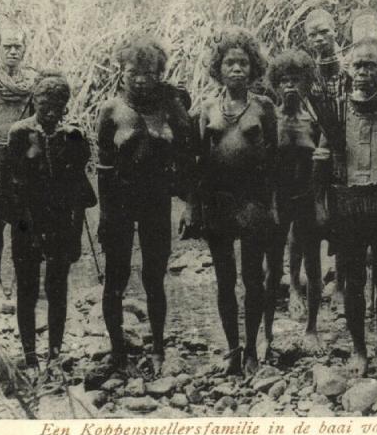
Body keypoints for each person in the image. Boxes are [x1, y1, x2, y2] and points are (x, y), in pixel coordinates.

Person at [313, 36, 377, 378]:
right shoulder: (338, 111)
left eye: (370, 65)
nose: (362, 72)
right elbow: (322, 159)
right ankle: (358, 350)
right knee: (351, 281)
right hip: (347, 205)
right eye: (356, 65)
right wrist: (322, 205)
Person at [96, 36, 192, 375]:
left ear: (159, 74)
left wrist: (189, 199)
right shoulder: (110, 111)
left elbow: (188, 148)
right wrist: (104, 217)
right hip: (120, 201)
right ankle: (118, 351)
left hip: (156, 200)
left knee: (154, 277)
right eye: (132, 72)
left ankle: (159, 347)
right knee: (116, 278)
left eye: (148, 73)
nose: (139, 79)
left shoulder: (170, 105)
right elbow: (103, 170)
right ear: (120, 72)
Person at [185, 27, 277, 376]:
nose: (236, 69)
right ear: (218, 68)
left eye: (243, 63)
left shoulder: (265, 107)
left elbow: (275, 160)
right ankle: (232, 350)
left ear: (253, 68)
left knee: (253, 279)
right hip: (218, 200)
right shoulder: (207, 107)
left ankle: (253, 349)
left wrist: (272, 206)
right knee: (225, 279)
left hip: (252, 200)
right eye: (229, 63)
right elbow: (197, 162)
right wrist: (194, 206)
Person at [0, 72, 92, 379]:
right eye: (44, 101)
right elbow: (5, 184)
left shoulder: (73, 136)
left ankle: (55, 354)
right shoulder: (19, 133)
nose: (51, 108)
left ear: (66, 105)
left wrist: (76, 235)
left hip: (61, 221)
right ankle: (30, 355)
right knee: (26, 287)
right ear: (34, 100)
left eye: (59, 102)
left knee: (57, 286)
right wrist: (13, 223)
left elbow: (80, 192)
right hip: (26, 221)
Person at [265, 49, 324, 353]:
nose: (289, 86)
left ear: (306, 84)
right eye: (284, 80)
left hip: (306, 198)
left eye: (295, 80)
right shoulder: (268, 118)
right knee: (272, 267)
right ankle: (267, 333)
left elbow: (324, 158)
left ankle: (312, 328)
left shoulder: (314, 120)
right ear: (276, 83)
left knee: (313, 265)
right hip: (277, 199)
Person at [0, 16, 38, 299]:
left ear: (24, 50)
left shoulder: (33, 80)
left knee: (26, 218)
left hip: (25, 159)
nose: (13, 51)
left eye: (18, 47)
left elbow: (41, 117)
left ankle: (22, 279)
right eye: (8, 46)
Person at [303, 8, 349, 310]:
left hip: (348, 149)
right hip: (317, 152)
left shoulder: (349, 68)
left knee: (346, 217)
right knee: (314, 216)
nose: (320, 39)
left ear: (336, 32)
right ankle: (307, 287)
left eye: (325, 32)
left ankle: (342, 286)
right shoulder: (308, 75)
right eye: (313, 35)